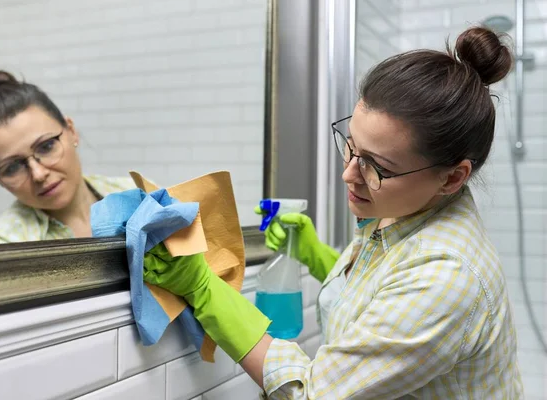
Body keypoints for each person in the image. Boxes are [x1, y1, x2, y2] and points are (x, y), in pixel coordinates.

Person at [143, 26, 523, 398]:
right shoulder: (407, 209)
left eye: (378, 167)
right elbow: (379, 292)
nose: (349, 174)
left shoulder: (446, 277)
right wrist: (316, 254)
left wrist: (206, 292)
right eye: (351, 145)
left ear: (452, 178)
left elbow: (312, 394)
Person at [0, 71, 140, 244]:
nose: (39, 174)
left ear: (71, 131)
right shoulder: (2, 246)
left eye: (46, 146)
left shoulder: (138, 195)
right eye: (12, 167)